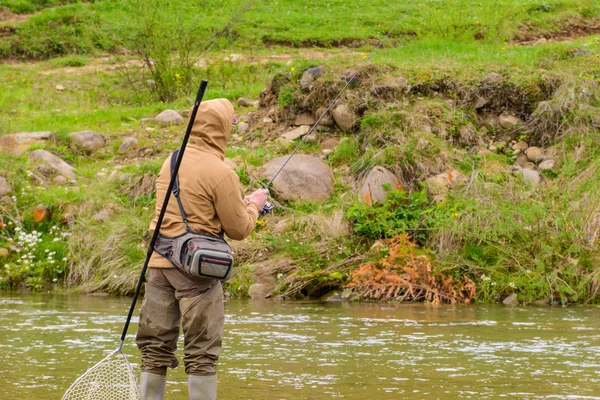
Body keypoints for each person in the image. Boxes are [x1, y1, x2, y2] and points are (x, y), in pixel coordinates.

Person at [136, 98, 269, 400]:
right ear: (222, 128)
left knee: (154, 348)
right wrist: (254, 205)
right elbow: (239, 229)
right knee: (202, 353)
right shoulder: (222, 172)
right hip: (196, 273)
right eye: (232, 123)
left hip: (158, 266)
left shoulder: (171, 161)